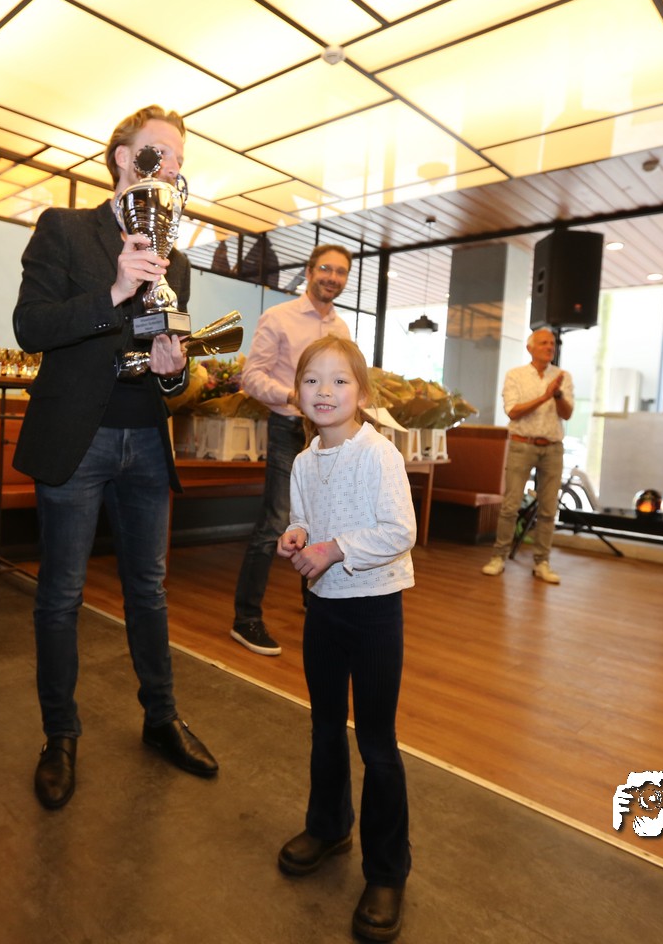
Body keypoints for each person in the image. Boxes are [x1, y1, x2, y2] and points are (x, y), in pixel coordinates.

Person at [13, 105, 218, 811]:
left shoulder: (177, 258)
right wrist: (113, 292)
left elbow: (167, 364)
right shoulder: (65, 229)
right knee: (62, 594)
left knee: (150, 591)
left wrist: (171, 368)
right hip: (79, 438)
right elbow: (30, 327)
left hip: (146, 441)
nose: (171, 165)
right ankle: (60, 736)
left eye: (179, 158)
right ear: (123, 156)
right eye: (159, 151)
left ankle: (162, 718)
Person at [275, 335, 415, 943]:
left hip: (376, 610)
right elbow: (304, 518)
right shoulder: (304, 461)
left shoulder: (378, 454)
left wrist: (334, 549)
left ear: (361, 392)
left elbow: (400, 531)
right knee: (325, 725)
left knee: (377, 742)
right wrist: (298, 535)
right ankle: (329, 826)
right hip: (323, 608)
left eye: (339, 380)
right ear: (297, 392)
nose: (324, 391)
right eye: (312, 380)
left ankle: (387, 870)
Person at [230, 244, 353, 656]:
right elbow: (252, 376)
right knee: (276, 523)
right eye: (326, 268)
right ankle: (246, 618)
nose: (332, 277)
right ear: (310, 271)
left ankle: (315, 601)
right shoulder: (279, 317)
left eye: (340, 272)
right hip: (287, 428)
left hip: (326, 434)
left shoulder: (342, 329)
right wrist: (291, 395)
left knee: (320, 521)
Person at [482, 327, 573, 583]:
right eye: (543, 343)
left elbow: (567, 414)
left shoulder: (563, 376)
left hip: (553, 447)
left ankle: (542, 563)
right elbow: (513, 411)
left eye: (552, 343)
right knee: (510, 506)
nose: (549, 347)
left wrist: (557, 395)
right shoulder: (516, 375)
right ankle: (498, 557)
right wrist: (545, 396)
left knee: (548, 509)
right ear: (530, 347)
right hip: (522, 445)